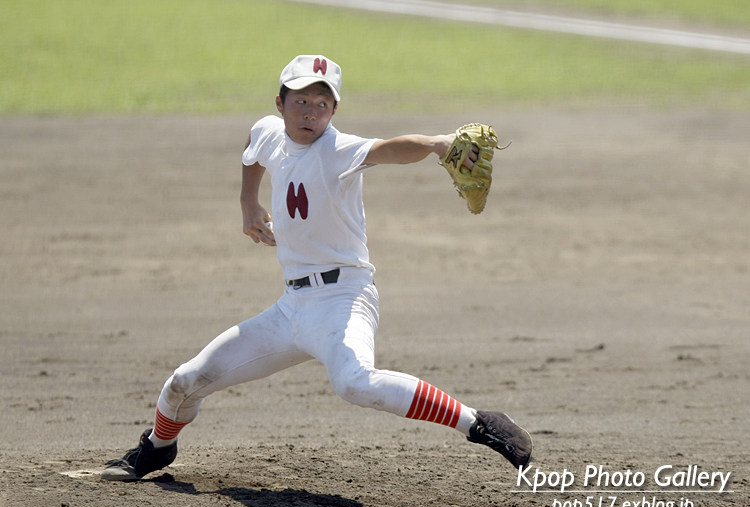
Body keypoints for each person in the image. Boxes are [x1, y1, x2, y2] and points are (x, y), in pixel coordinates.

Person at [101, 55, 532, 482]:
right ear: (280, 103)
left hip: (343, 300)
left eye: (322, 104)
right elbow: (254, 142)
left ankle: (479, 423)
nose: (311, 114)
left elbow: (391, 149)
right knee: (186, 380)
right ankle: (157, 448)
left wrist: (439, 142)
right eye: (301, 102)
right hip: (292, 308)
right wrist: (248, 202)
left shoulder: (337, 150)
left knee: (355, 383)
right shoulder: (271, 133)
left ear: (335, 111)